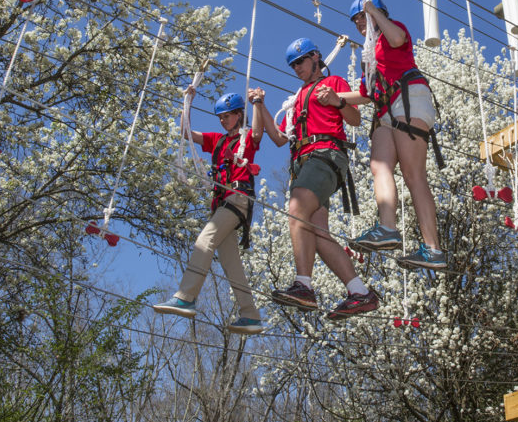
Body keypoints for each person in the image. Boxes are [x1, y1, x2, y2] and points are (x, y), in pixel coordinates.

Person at [253, 38, 379, 320]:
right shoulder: (296, 100)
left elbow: (355, 119)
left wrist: (336, 102)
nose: (296, 68)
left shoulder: (333, 83)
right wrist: (260, 105)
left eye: (300, 61)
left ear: (316, 57)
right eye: (293, 65)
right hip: (304, 163)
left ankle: (304, 285)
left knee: (297, 209)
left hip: (325, 155)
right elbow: (278, 139)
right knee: (319, 234)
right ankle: (359, 292)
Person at [343, 0, 447, 271]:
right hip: (385, 108)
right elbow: (365, 94)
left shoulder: (392, 32)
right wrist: (329, 97)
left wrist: (374, 12)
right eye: (356, 20)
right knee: (379, 165)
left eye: (362, 18)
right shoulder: (369, 55)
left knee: (414, 175)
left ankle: (433, 248)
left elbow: (399, 38)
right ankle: (387, 226)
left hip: (408, 97)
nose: (359, 24)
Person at [154, 91, 265, 335]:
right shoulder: (217, 140)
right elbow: (186, 133)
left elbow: (258, 132)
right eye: (220, 117)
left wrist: (257, 104)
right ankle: (250, 314)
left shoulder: (247, 138)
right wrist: (187, 103)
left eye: (227, 116)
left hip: (238, 199)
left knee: (205, 240)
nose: (223, 121)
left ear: (239, 115)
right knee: (230, 262)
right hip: (222, 203)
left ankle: (186, 296)